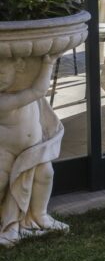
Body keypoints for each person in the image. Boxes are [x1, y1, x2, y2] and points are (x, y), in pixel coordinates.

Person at [0, 55, 67, 246]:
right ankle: (7, 220)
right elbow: (38, 90)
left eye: (2, 73)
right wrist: (48, 64)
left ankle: (40, 214)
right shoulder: (3, 101)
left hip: (33, 149)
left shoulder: (20, 90)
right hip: (6, 151)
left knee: (46, 174)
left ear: (18, 69)